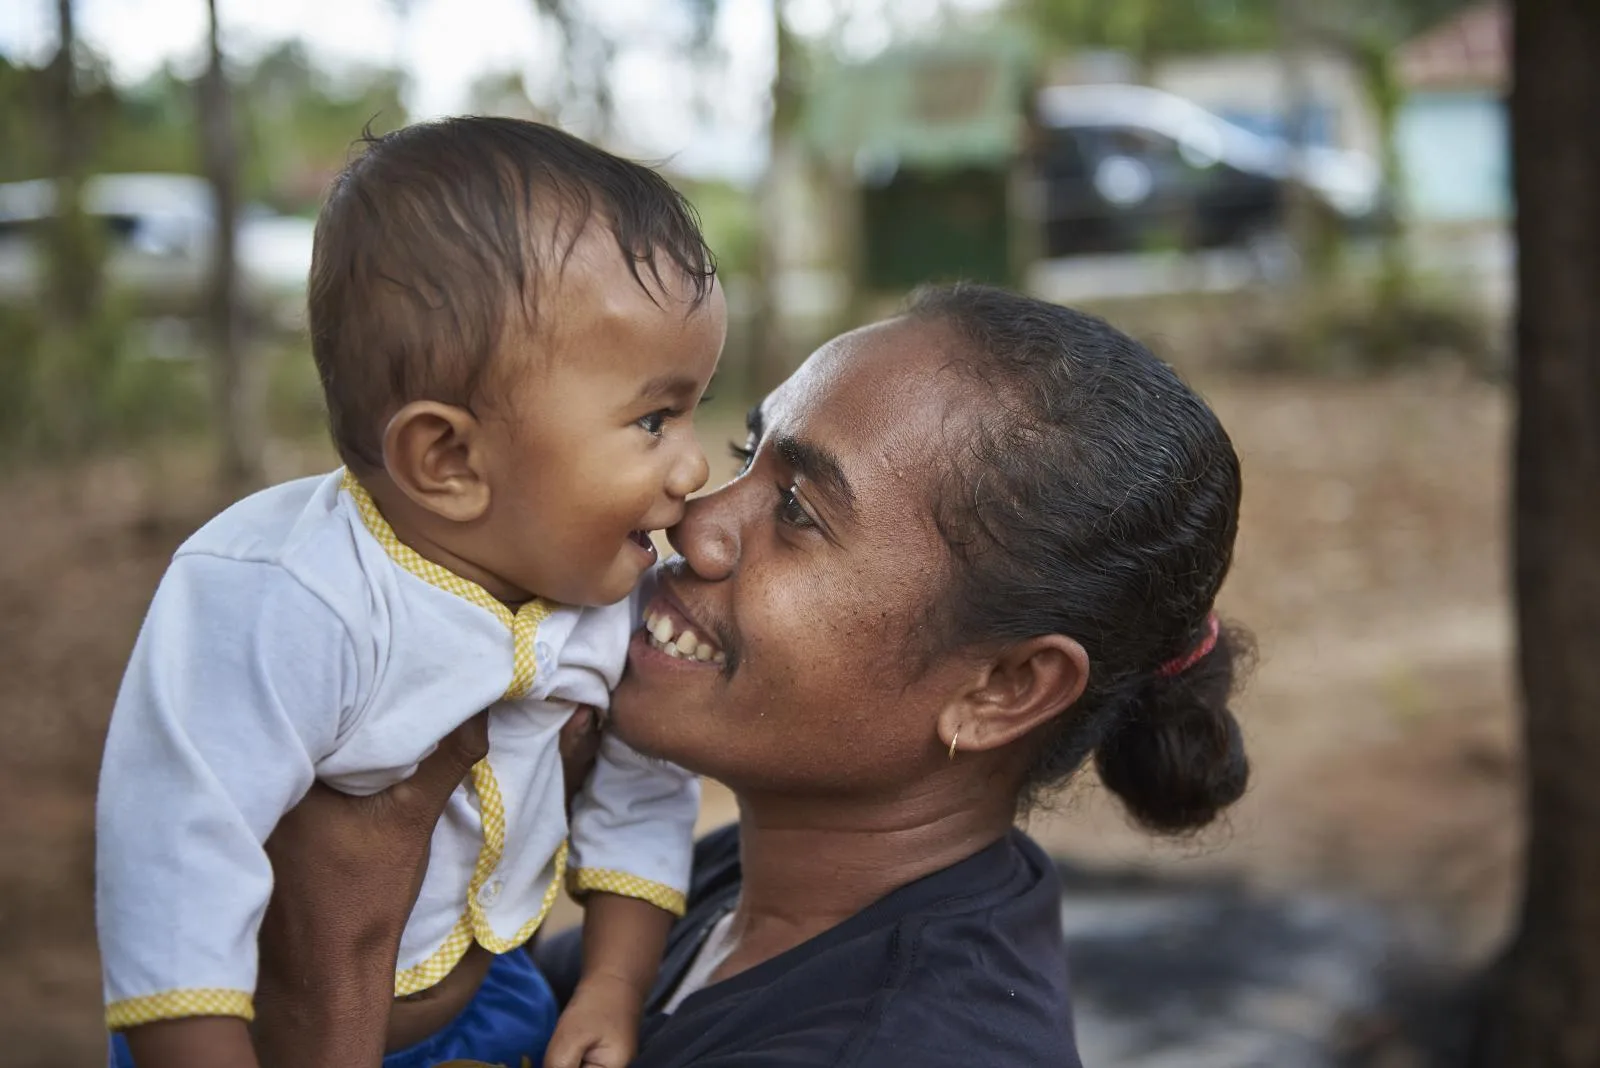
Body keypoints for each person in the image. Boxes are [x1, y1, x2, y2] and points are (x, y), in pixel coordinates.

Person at [241, 283, 1253, 1068]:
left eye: (801, 513)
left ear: (1000, 690)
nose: (693, 518)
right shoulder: (739, 885)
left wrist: (332, 964)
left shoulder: (903, 1045)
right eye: (745, 453)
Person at [95, 116, 727, 1068]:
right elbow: (177, 856)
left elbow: (642, 790)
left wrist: (610, 985)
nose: (693, 467)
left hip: (495, 1003)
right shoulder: (287, 596)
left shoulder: (601, 585)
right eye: (652, 419)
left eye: (692, 412)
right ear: (448, 458)